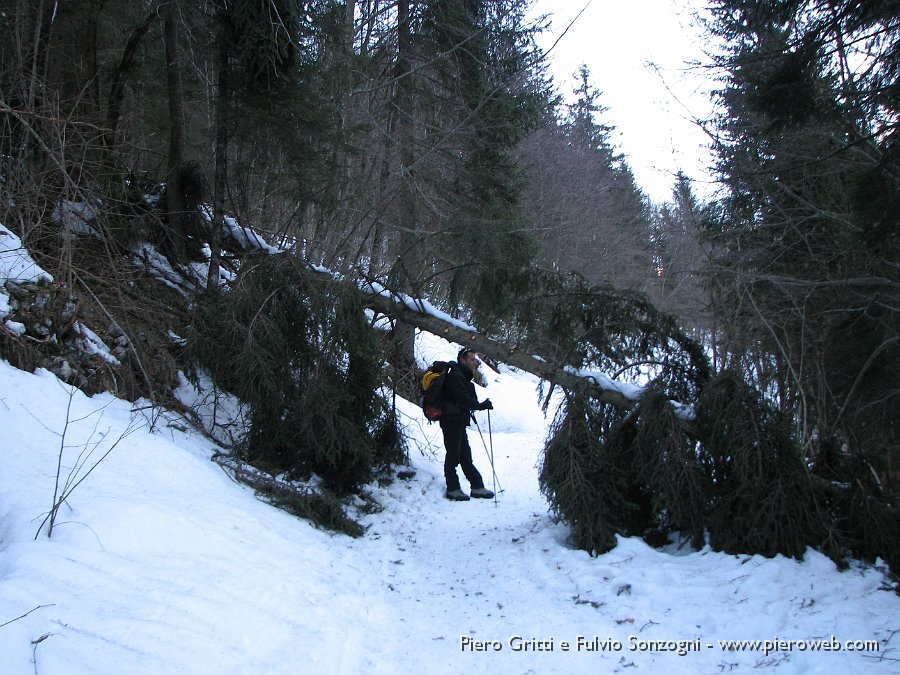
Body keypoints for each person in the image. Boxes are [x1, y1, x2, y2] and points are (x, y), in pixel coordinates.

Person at [439, 348, 495, 501]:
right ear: (462, 361)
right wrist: (481, 406)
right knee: (453, 455)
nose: (475, 362)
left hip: (458, 421)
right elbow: (464, 400)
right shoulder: (455, 377)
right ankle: (453, 488)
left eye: (475, 360)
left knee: (464, 455)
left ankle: (477, 486)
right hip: (450, 420)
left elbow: (465, 400)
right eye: (471, 359)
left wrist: (478, 405)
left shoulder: (463, 377)